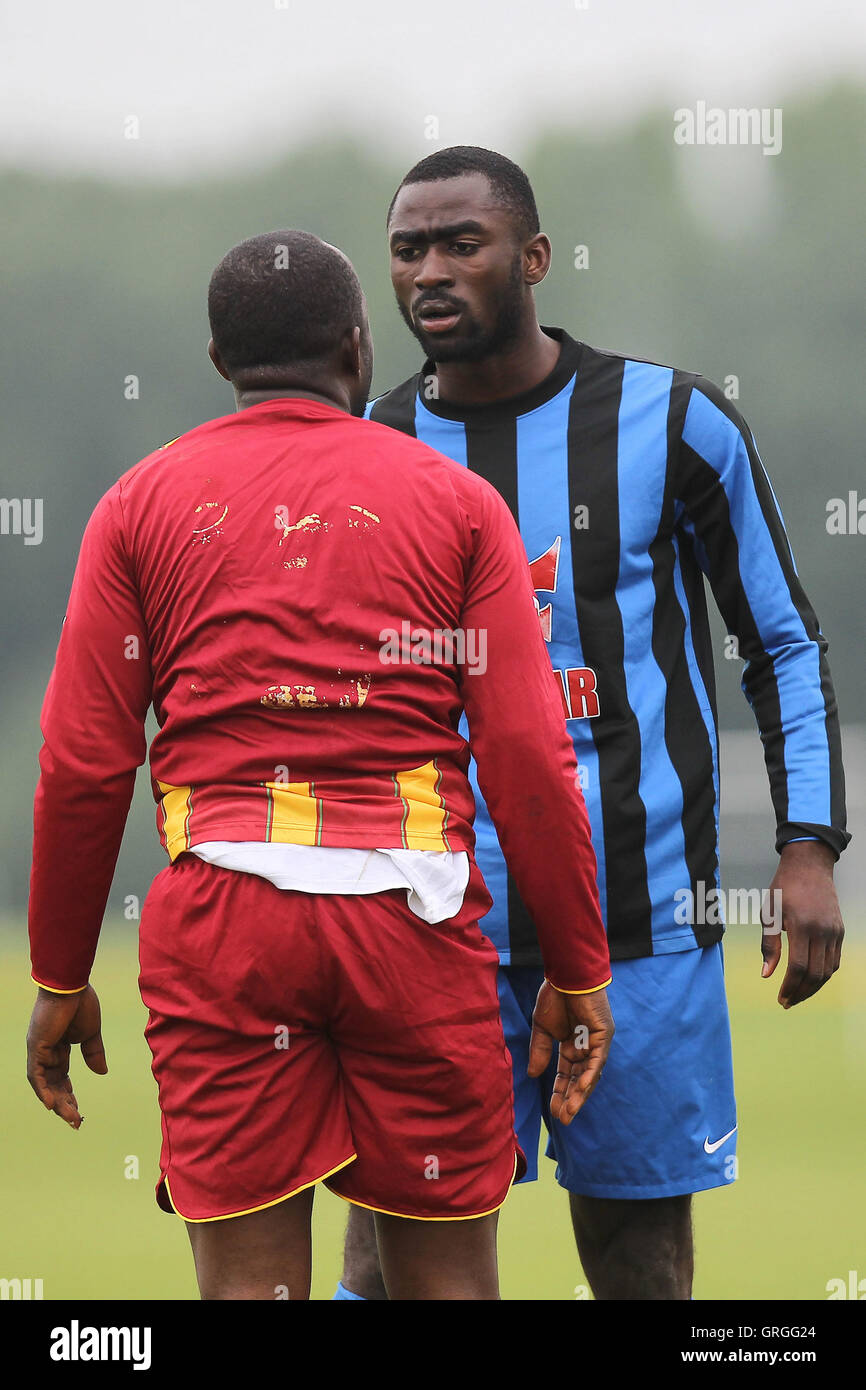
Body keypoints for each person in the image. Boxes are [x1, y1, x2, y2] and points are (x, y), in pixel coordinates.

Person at [25, 229, 613, 1301]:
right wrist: (577, 967)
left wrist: (61, 973)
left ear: (218, 362)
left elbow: (81, 764)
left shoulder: (136, 506)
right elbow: (528, 759)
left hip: (223, 924)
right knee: (447, 1284)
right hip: (414, 924)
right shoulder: (459, 504)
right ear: (356, 349)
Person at [336, 147, 849, 1302]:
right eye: (407, 249)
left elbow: (779, 642)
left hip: (641, 926)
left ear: (530, 259)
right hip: (431, 930)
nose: (428, 270)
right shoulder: (368, 450)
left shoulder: (673, 421)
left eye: (459, 243)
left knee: (636, 1269)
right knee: (388, 1268)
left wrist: (807, 845)